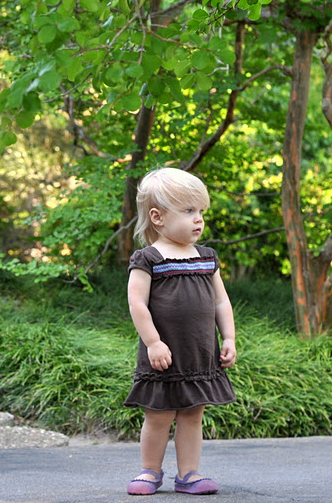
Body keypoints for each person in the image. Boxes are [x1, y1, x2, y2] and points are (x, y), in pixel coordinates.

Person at [123, 167, 236, 496]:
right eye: (188, 211)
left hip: (198, 354)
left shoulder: (206, 257)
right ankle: (149, 471)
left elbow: (221, 301)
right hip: (163, 354)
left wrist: (229, 337)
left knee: (192, 414)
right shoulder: (149, 259)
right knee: (159, 415)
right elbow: (137, 304)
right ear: (157, 217)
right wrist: (153, 342)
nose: (198, 219)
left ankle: (189, 474)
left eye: (201, 211)